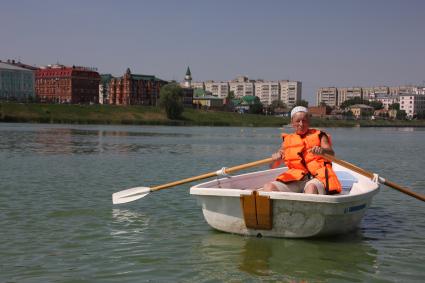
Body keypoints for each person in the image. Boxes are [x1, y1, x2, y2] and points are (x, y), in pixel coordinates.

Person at [263, 106, 342, 195]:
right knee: (268, 187)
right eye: (298, 121)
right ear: (292, 122)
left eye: (304, 121)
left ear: (308, 122)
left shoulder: (320, 135)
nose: (301, 124)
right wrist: (275, 159)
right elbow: (272, 166)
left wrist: (323, 151)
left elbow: (331, 154)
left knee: (310, 188)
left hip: (317, 178)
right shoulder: (288, 140)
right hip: (296, 179)